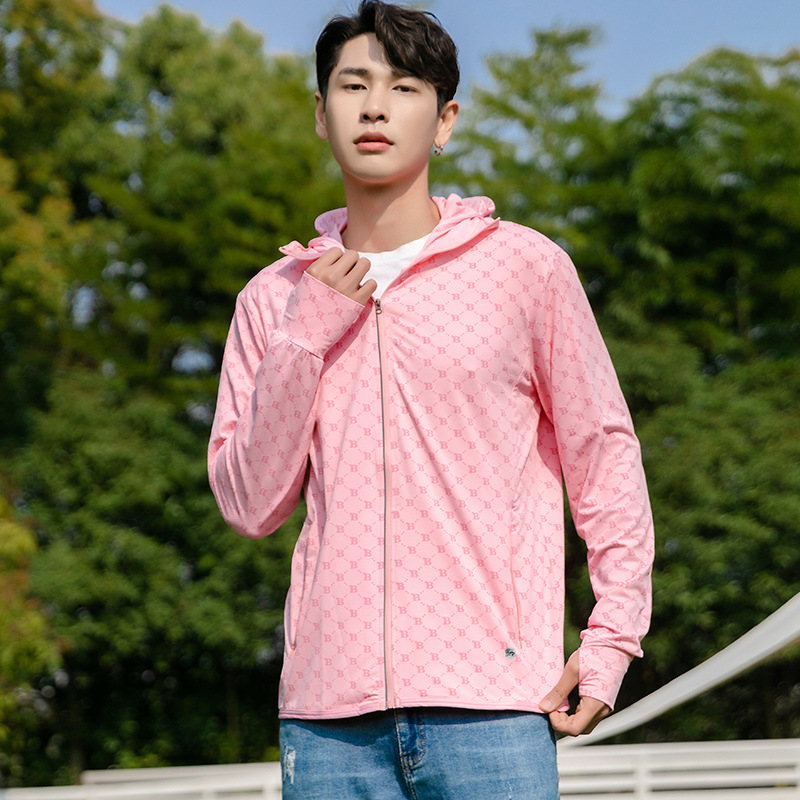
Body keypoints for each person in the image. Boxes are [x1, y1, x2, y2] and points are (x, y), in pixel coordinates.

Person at [208, 1, 654, 797]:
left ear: (445, 120)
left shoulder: (525, 269)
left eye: (405, 88)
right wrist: (305, 336)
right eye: (353, 85)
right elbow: (250, 505)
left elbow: (604, 456)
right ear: (321, 114)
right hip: (327, 724)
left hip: (495, 710)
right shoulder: (273, 299)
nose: (375, 107)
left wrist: (612, 637)